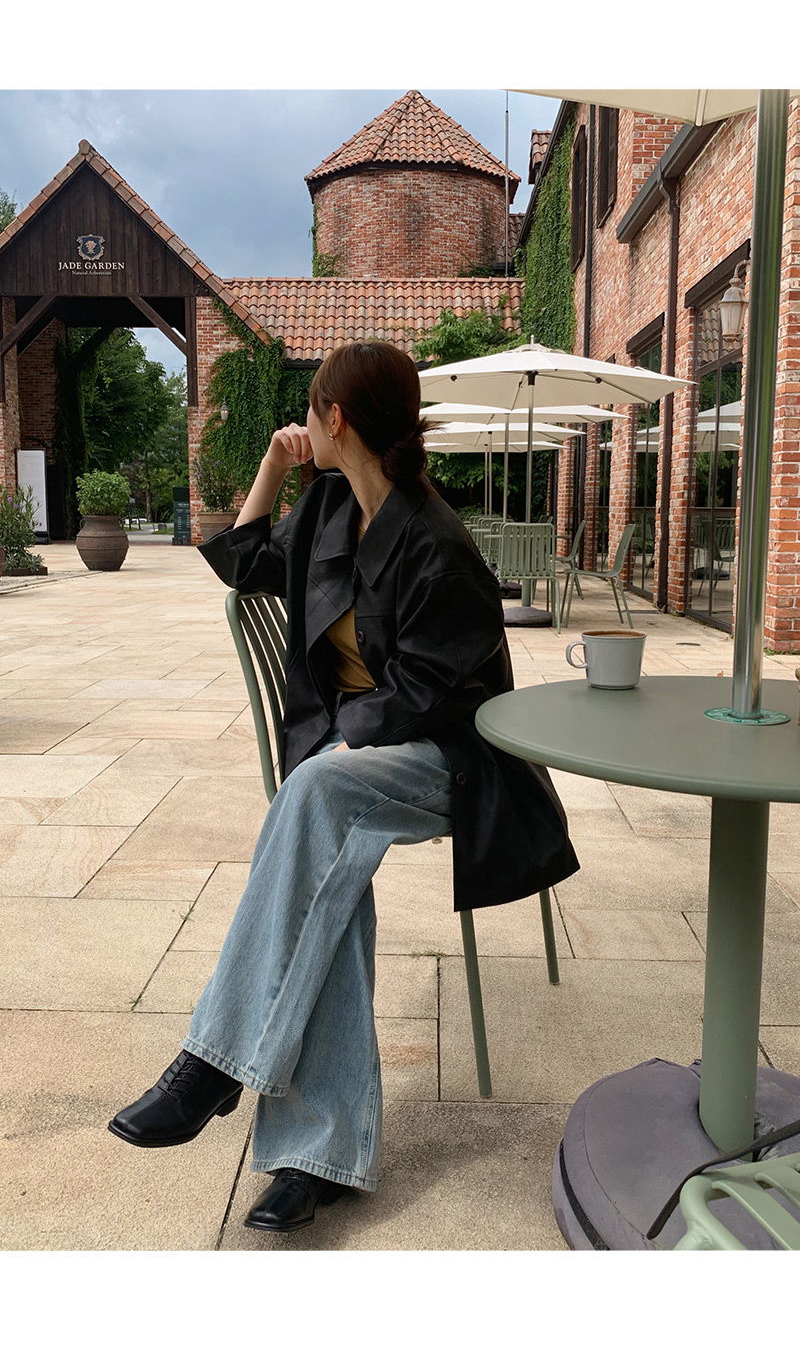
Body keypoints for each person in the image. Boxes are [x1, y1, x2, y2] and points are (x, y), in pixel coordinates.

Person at [106, 341, 579, 1232]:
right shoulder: (327, 504)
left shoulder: (438, 542)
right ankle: (313, 1158)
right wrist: (271, 469)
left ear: (337, 418)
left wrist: (341, 744)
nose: (302, 423)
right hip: (351, 756)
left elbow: (432, 694)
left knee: (320, 797)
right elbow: (242, 563)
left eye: (309, 411)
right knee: (331, 873)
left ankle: (214, 1064)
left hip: (450, 761)